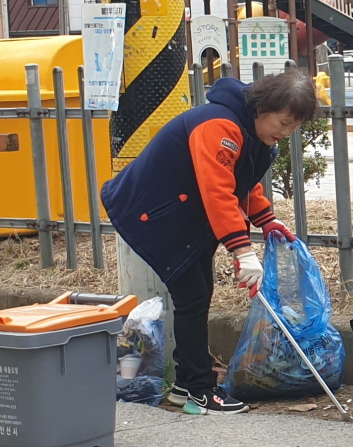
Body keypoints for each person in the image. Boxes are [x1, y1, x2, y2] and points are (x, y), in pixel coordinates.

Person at [102, 68, 318, 414]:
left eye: (293, 127)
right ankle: (198, 391)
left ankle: (187, 384)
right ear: (263, 108)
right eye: (283, 123)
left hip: (183, 213)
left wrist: (266, 219)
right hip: (154, 213)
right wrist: (242, 250)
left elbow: (241, 180)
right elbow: (218, 190)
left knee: (198, 294)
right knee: (192, 296)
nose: (285, 132)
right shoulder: (219, 126)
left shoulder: (246, 128)